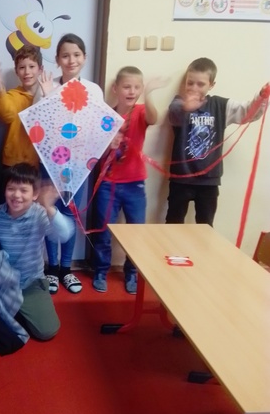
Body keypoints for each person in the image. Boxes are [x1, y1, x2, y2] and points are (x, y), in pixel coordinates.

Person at [165, 57, 268, 226]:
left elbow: (247, 112)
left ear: (211, 85)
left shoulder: (220, 105)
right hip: (181, 179)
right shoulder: (178, 102)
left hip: (209, 180)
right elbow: (173, 113)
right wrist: (185, 107)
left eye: (200, 84)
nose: (194, 88)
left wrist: (261, 97)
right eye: (190, 83)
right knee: (173, 224)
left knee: (206, 225)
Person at [92, 67, 167, 294]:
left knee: (136, 233)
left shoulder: (141, 111)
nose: (131, 91)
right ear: (115, 89)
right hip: (108, 184)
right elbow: (95, 152)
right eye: (126, 87)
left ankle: (132, 274)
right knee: (103, 231)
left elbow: (154, 119)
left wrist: (149, 95)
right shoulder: (106, 116)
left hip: (135, 184)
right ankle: (100, 271)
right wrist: (108, 145)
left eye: (136, 87)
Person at [39, 33, 104, 295]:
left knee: (70, 214)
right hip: (50, 162)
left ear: (84, 57)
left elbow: (97, 126)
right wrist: (48, 97)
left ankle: (66, 268)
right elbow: (39, 128)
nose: (71, 60)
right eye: (65, 55)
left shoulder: (93, 90)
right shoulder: (47, 85)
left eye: (76, 54)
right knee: (48, 211)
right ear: (57, 59)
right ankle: (52, 268)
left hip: (78, 164)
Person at [0, 163, 75, 340]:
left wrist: (49, 208)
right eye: (11, 189)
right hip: (3, 284)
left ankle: (19, 311)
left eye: (24, 190)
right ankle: (13, 310)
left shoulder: (39, 214)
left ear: (35, 194)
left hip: (31, 283)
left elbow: (64, 234)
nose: (16, 195)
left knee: (47, 331)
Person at [0, 44, 52, 170]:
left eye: (32, 66)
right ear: (16, 71)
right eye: (22, 67)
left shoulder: (48, 94)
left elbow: (54, 124)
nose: (27, 72)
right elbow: (7, 115)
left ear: (40, 69)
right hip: (13, 161)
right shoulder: (13, 95)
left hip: (38, 162)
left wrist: (48, 97)